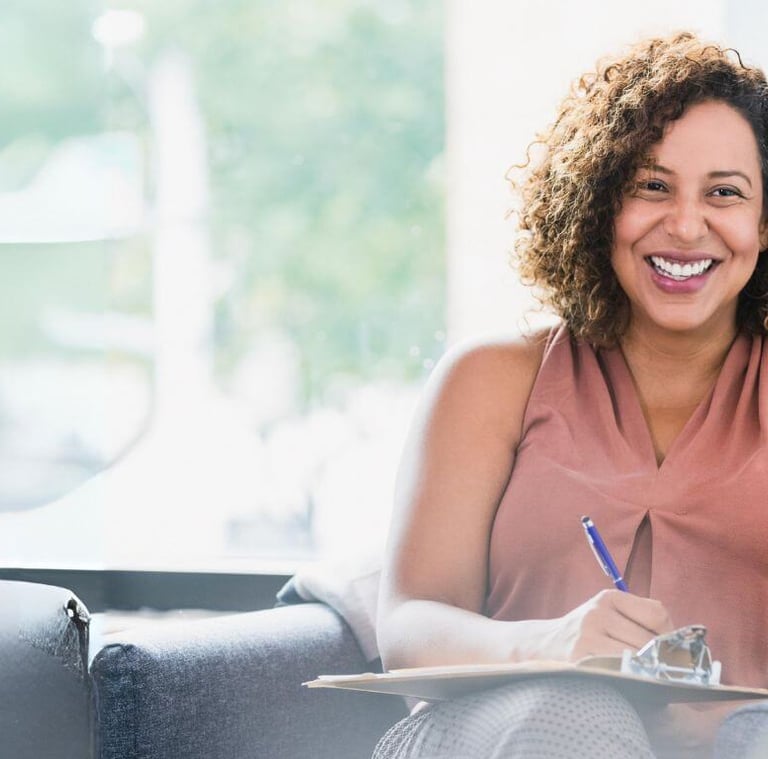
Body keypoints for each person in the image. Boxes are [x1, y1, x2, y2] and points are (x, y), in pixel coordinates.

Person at [372, 32, 768, 759]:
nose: (685, 224)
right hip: (501, 733)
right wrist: (547, 644)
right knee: (577, 711)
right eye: (651, 186)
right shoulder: (491, 379)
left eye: (725, 193)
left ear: (764, 223)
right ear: (597, 204)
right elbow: (406, 623)